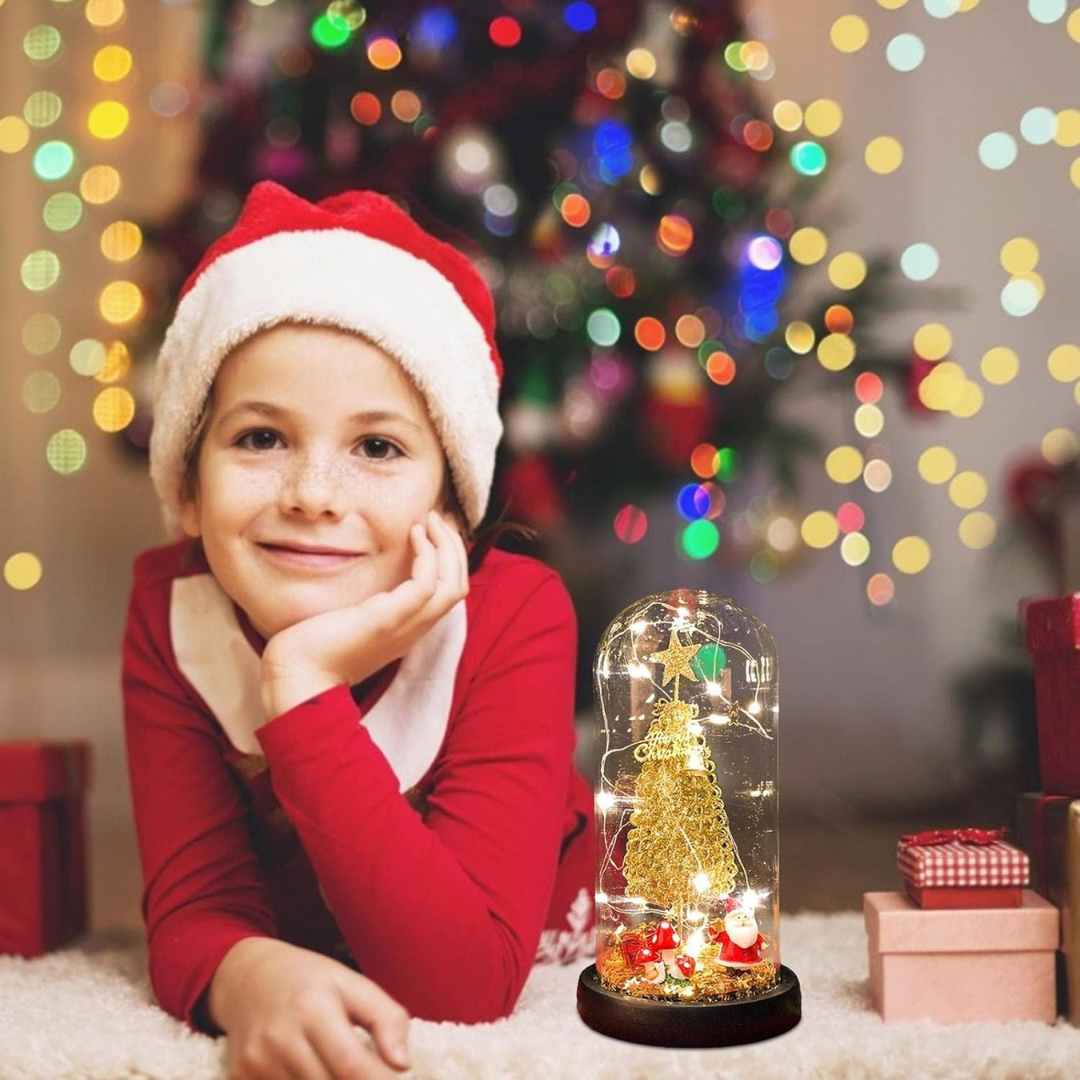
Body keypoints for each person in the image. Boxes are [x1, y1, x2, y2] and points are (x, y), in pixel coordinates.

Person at [121, 180, 594, 1080]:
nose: (311, 493)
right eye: (260, 439)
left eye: (376, 448)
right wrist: (254, 978)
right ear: (188, 482)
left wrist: (301, 686)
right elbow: (193, 910)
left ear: (450, 505)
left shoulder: (515, 616)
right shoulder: (168, 611)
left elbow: (462, 987)